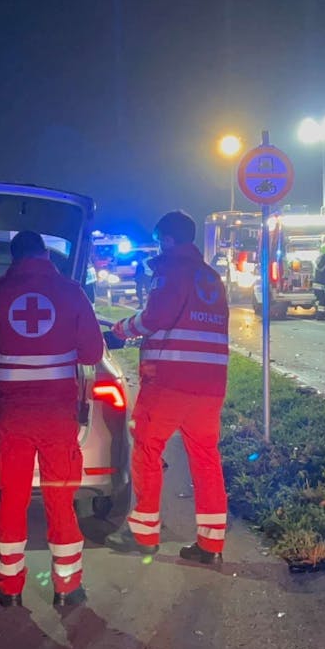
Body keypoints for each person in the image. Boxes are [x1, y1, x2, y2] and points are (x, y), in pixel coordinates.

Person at [0, 230, 105, 608]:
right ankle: (67, 587)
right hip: (57, 417)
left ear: (13, 257)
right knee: (60, 496)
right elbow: (92, 353)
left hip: (13, 417)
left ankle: (8, 588)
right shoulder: (71, 290)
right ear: (45, 254)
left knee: (13, 498)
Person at [103, 210, 231, 564]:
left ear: (169, 240)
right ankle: (211, 543)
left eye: (161, 241)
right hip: (211, 384)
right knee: (206, 458)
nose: (159, 246)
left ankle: (143, 533)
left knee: (146, 446)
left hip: (171, 380)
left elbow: (155, 317)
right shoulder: (211, 278)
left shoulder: (171, 270)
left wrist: (121, 329)